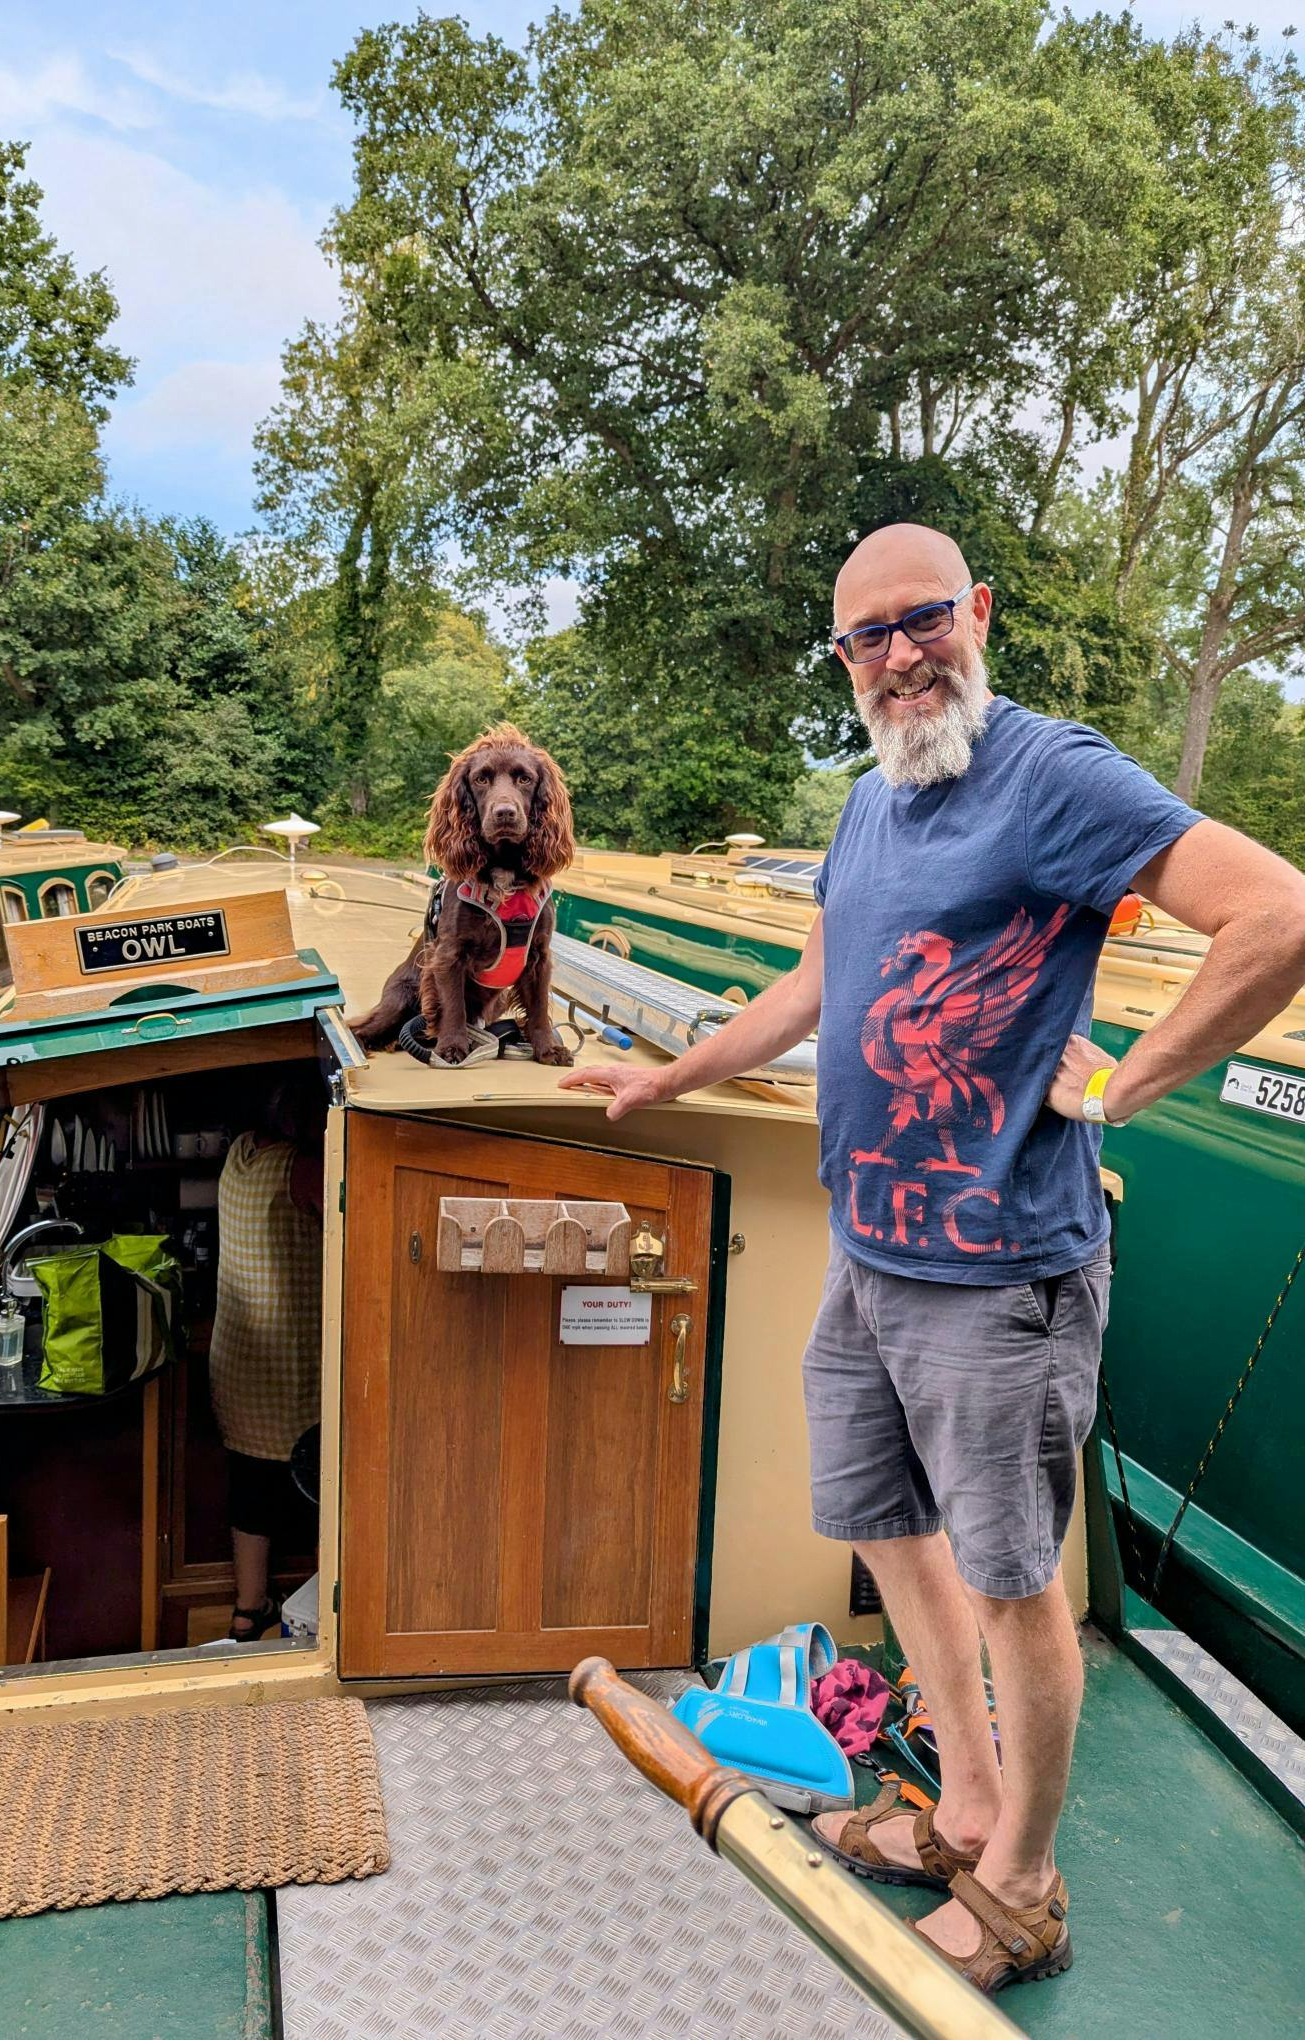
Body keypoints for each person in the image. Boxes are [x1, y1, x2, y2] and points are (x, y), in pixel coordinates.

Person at [560, 522, 1305, 1997]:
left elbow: (1277, 914)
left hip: (1002, 1276)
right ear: (841, 664)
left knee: (1016, 1578)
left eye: (919, 624)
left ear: (976, 614)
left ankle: (1023, 1885)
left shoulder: (1054, 775)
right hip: (874, 1257)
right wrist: (669, 1076)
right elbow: (821, 983)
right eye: (865, 640)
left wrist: (1121, 1086)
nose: (898, 657)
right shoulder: (869, 807)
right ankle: (961, 1800)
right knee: (880, 1518)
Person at [207, 1076, 325, 1641]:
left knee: (251, 1488)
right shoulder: (305, 1169)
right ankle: (328, 1613)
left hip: (237, 1360)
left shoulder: (241, 1152)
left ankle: (248, 1612)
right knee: (325, 1487)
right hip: (290, 1362)